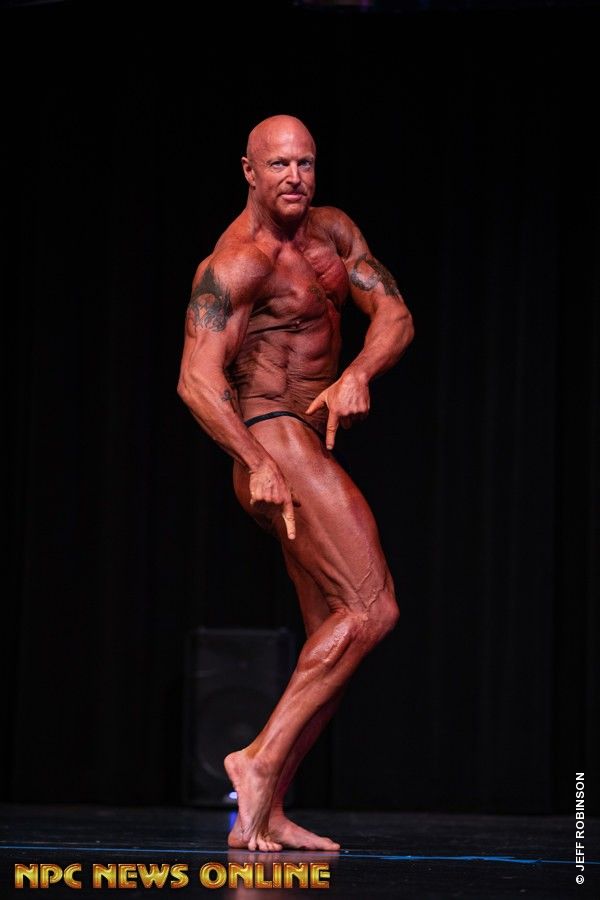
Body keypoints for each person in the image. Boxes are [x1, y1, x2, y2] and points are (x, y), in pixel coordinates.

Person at [177, 114, 414, 852]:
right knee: (372, 609)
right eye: (278, 164)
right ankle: (256, 761)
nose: (294, 177)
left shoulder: (334, 234)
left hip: (302, 444)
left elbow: (396, 314)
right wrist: (258, 460)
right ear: (250, 172)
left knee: (332, 643)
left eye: (305, 163)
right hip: (272, 438)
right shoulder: (234, 265)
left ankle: (268, 809)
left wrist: (359, 373)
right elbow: (195, 382)